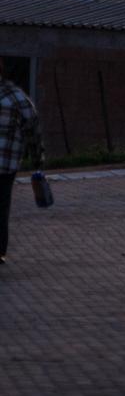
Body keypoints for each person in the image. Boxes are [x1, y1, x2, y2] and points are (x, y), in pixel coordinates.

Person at [0, 60, 45, 263]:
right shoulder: (17, 97)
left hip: (5, 164)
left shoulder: (15, 97)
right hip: (5, 165)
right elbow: (33, 129)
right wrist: (37, 159)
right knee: (1, 207)